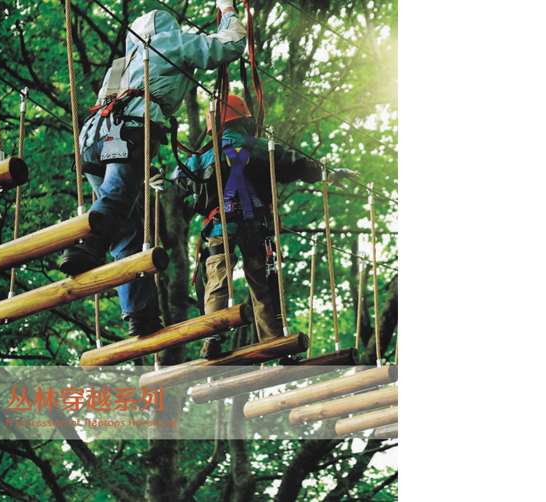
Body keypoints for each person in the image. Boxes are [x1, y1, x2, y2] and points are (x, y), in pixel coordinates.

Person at [58, 2, 247, 338]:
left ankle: (140, 314)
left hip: (93, 139)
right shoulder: (169, 42)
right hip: (130, 129)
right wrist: (228, 10)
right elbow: (228, 45)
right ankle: (84, 245)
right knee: (117, 199)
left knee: (128, 230)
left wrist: (144, 167)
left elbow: (117, 116)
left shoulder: (121, 64)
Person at [170, 95, 359, 358]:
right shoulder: (265, 148)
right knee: (264, 286)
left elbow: (176, 181)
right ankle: (274, 341)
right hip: (257, 226)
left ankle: (212, 336)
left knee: (217, 277)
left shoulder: (201, 158)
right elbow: (300, 166)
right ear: (246, 120)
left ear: (214, 126)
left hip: (220, 226)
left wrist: (157, 179)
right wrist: (330, 173)